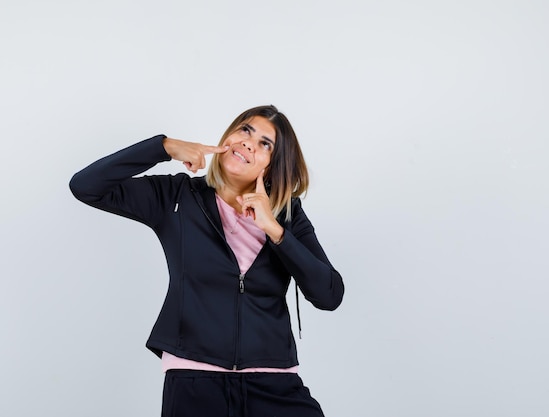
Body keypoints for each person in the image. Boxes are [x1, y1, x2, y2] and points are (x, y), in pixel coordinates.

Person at [69, 105, 345, 416]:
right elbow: (85, 186)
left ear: (272, 165)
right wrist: (162, 147)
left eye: (265, 144)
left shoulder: (287, 216)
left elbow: (329, 295)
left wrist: (275, 231)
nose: (249, 143)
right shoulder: (176, 196)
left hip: (275, 384)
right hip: (194, 384)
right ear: (229, 136)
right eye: (245, 130)